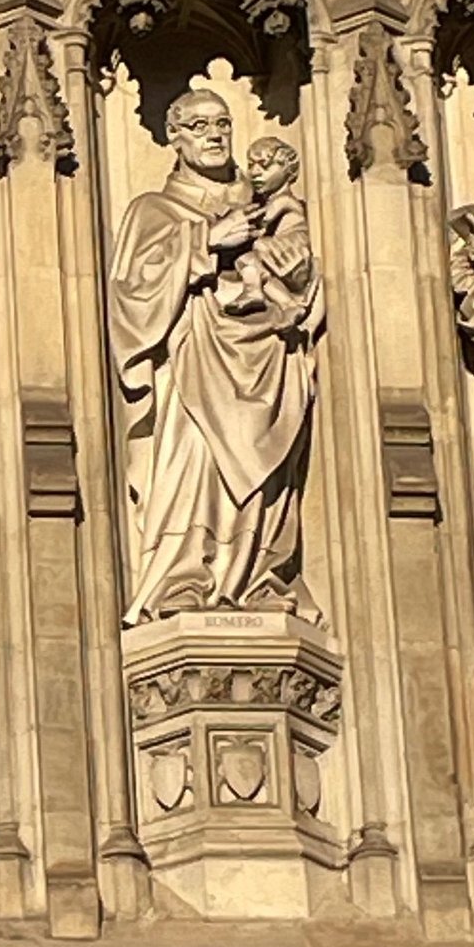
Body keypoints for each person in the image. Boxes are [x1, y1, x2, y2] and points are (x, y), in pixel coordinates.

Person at [109, 90, 322, 622]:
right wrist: (206, 240)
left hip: (267, 356)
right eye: (199, 126)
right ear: (174, 137)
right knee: (196, 464)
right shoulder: (153, 210)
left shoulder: (263, 207)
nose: (214, 135)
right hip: (194, 359)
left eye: (223, 124)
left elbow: (305, 277)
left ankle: (259, 576)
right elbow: (131, 293)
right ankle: (185, 577)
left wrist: (292, 270)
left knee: (266, 468)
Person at [224, 136, 312, 324]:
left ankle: (256, 291)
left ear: (288, 170)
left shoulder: (284, 200)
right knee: (247, 261)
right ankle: (286, 304)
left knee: (255, 248)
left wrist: (229, 222)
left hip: (291, 253)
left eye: (264, 166)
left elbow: (261, 221)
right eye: (251, 165)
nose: (255, 173)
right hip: (275, 253)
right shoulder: (271, 200)